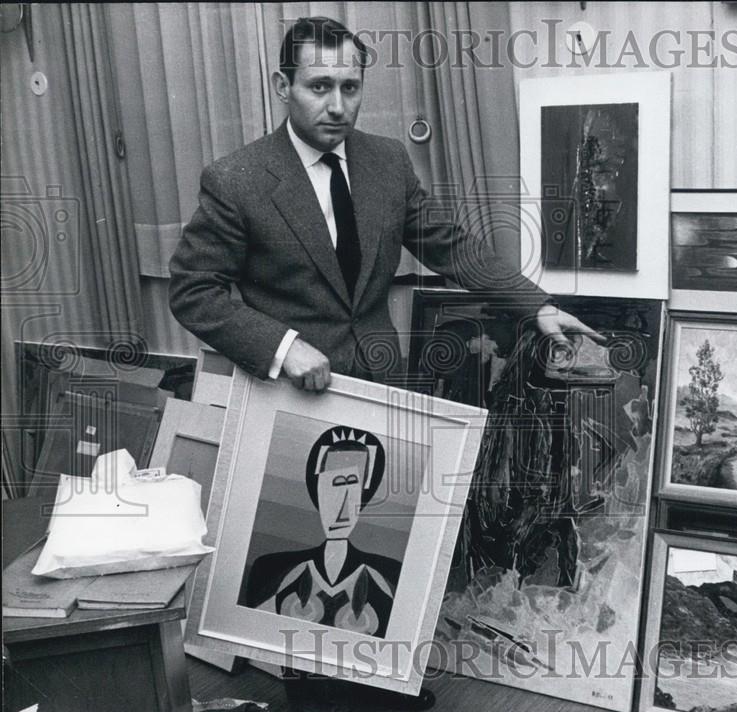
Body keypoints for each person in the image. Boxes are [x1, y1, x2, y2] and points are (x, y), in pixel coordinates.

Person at [169, 16, 601, 392]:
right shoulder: (235, 179)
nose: (337, 107)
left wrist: (536, 305)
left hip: (382, 382)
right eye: (319, 87)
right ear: (283, 86)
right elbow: (193, 292)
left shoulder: (388, 161)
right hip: (286, 391)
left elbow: (449, 246)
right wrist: (283, 348)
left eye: (350, 88)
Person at [244, 426, 399, 639]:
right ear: (316, 487)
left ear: (366, 494)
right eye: (334, 485)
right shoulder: (272, 570)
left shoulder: (390, 577)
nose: (343, 505)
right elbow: (251, 635)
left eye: (353, 485)